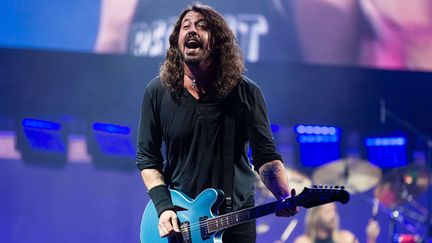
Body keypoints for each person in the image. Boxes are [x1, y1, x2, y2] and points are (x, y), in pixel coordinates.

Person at [135, 2, 297, 242]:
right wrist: (163, 207)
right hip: (181, 223)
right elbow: (147, 159)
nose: (192, 31)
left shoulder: (245, 93)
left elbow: (265, 157)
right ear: (176, 42)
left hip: (236, 218)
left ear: (217, 42)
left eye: (202, 27)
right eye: (186, 26)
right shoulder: (157, 92)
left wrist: (283, 195)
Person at [293, 203, 380, 243]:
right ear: (315, 215)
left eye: (334, 211)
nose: (333, 215)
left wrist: (371, 239)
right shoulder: (303, 241)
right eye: (327, 211)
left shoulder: (347, 239)